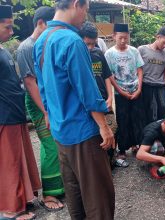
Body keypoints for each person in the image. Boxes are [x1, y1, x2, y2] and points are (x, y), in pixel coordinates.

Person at [33, 0, 115, 219]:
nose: (85, 16)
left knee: (74, 191)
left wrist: (49, 114)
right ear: (76, 4)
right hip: (83, 132)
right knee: (99, 194)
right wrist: (103, 126)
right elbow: (87, 91)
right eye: (86, 10)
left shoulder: (41, 41)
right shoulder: (71, 41)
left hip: (60, 130)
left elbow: (43, 86)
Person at [16, 6, 65, 212]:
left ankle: (60, 185)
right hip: (37, 103)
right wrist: (45, 111)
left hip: (48, 102)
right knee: (49, 145)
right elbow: (30, 83)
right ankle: (49, 193)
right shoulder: (27, 47)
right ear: (41, 24)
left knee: (57, 142)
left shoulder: (45, 43)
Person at [0, 5, 41, 220]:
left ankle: (21, 200)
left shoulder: (3, 49)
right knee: (9, 163)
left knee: (20, 159)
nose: (11, 31)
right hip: (4, 115)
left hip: (15, 113)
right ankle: (10, 210)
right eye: (7, 27)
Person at [105, 23, 146, 166]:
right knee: (123, 120)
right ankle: (122, 148)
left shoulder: (134, 51)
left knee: (137, 118)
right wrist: (120, 91)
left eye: (126, 38)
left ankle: (136, 145)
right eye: (120, 38)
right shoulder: (109, 54)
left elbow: (140, 69)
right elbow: (109, 75)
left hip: (135, 90)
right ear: (114, 36)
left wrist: (139, 88)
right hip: (120, 92)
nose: (123, 41)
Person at [79, 21, 117, 169]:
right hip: (89, 103)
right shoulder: (78, 57)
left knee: (112, 128)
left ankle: (110, 162)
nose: (90, 47)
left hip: (104, 100)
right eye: (87, 43)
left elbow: (107, 76)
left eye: (93, 44)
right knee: (95, 134)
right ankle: (97, 165)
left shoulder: (98, 53)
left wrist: (110, 97)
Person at [138, 27, 165, 124]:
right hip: (145, 87)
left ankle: (160, 138)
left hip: (160, 88)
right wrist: (138, 88)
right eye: (164, 42)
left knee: (162, 114)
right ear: (158, 37)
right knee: (146, 114)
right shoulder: (142, 50)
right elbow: (137, 70)